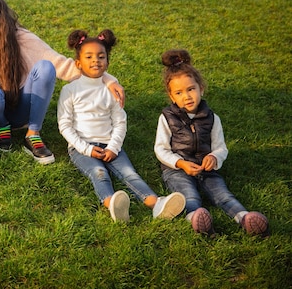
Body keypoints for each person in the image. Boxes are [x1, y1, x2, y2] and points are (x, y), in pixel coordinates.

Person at [0, 0, 124, 165]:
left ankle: (33, 134)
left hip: (21, 107)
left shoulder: (22, 38)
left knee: (46, 67)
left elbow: (61, 64)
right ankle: (1, 128)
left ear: (1, 16)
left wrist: (107, 79)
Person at [57, 29, 185, 222]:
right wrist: (87, 149)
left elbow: (120, 122)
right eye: (89, 56)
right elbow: (65, 125)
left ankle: (156, 204)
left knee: (130, 174)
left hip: (110, 144)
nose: (95, 61)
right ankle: (112, 205)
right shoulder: (70, 90)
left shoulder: (111, 90)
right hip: (81, 148)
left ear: (107, 62)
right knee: (98, 173)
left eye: (101, 56)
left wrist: (114, 147)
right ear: (78, 63)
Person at [154, 49, 269, 237]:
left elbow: (221, 147)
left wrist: (214, 157)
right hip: (177, 169)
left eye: (191, 89)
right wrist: (180, 163)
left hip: (206, 168)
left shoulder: (212, 118)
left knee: (222, 194)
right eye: (179, 92)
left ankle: (244, 217)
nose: (187, 96)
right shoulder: (167, 118)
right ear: (172, 97)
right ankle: (196, 217)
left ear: (201, 88)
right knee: (189, 195)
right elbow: (160, 148)